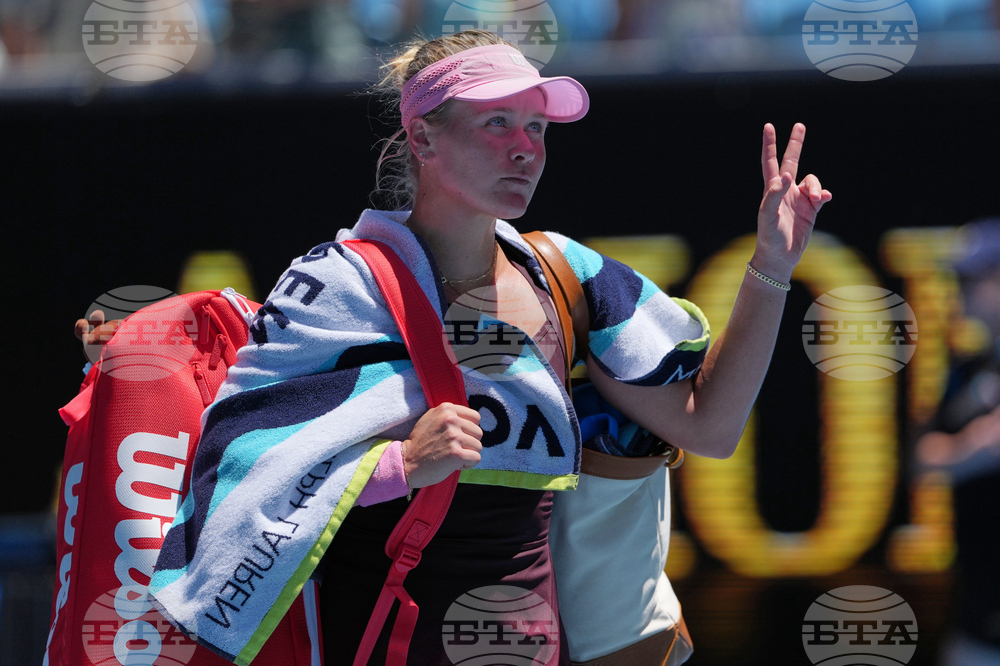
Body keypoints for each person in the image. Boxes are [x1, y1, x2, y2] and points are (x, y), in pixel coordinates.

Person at [137, 29, 831, 666]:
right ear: (422, 137)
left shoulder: (569, 277)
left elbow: (708, 425)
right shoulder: (336, 284)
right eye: (496, 122)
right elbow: (239, 470)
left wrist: (772, 266)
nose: (525, 146)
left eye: (535, 126)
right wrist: (401, 465)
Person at [916, 219, 1000, 666]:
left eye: (971, 279)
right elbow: (921, 461)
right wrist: (980, 447)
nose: (960, 292)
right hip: (975, 623)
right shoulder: (962, 372)